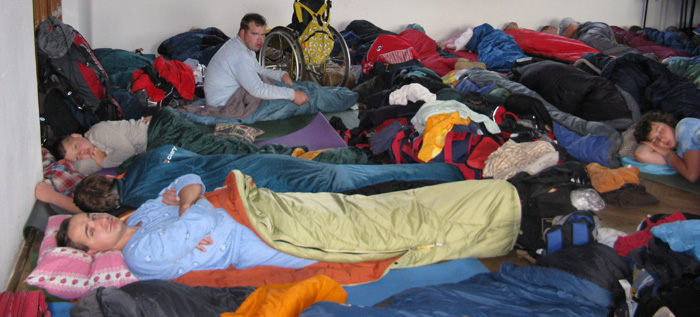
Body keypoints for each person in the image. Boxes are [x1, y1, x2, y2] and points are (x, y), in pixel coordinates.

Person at [56, 172, 520, 282]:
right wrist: (190, 207)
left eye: (89, 217)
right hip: (267, 238)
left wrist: (189, 205)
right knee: (374, 230)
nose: (98, 221)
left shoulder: (137, 217)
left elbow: (188, 179)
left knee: (358, 206)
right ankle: (498, 218)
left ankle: (494, 203)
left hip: (260, 209)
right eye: (89, 231)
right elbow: (199, 212)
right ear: (95, 253)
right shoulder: (140, 255)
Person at [69, 144, 465, 212]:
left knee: (350, 185)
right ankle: (450, 173)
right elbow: (188, 157)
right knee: (347, 175)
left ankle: (451, 180)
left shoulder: (139, 200)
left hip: (264, 185)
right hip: (258, 163)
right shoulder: (145, 160)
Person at [203, 13, 309, 107]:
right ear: (243, 33)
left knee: (301, 90)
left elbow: (258, 70)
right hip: (225, 105)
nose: (260, 40)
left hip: (233, 97)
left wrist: (281, 75)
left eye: (262, 34)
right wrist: (293, 95)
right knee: (295, 103)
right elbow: (257, 89)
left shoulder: (240, 45)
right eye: (254, 34)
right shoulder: (240, 55)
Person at [55, 116, 151, 175]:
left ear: (77, 136)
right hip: (148, 145)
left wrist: (104, 162)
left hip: (149, 131)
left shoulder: (96, 132)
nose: (82, 152)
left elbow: (128, 150)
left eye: (76, 146)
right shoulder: (94, 150)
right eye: (77, 157)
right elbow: (80, 167)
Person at [633, 111, 700, 182]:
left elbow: (692, 175)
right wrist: (666, 153)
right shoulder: (678, 155)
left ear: (668, 121)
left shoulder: (684, 126)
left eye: (660, 131)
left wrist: (668, 153)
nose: (662, 139)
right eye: (655, 140)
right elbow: (641, 155)